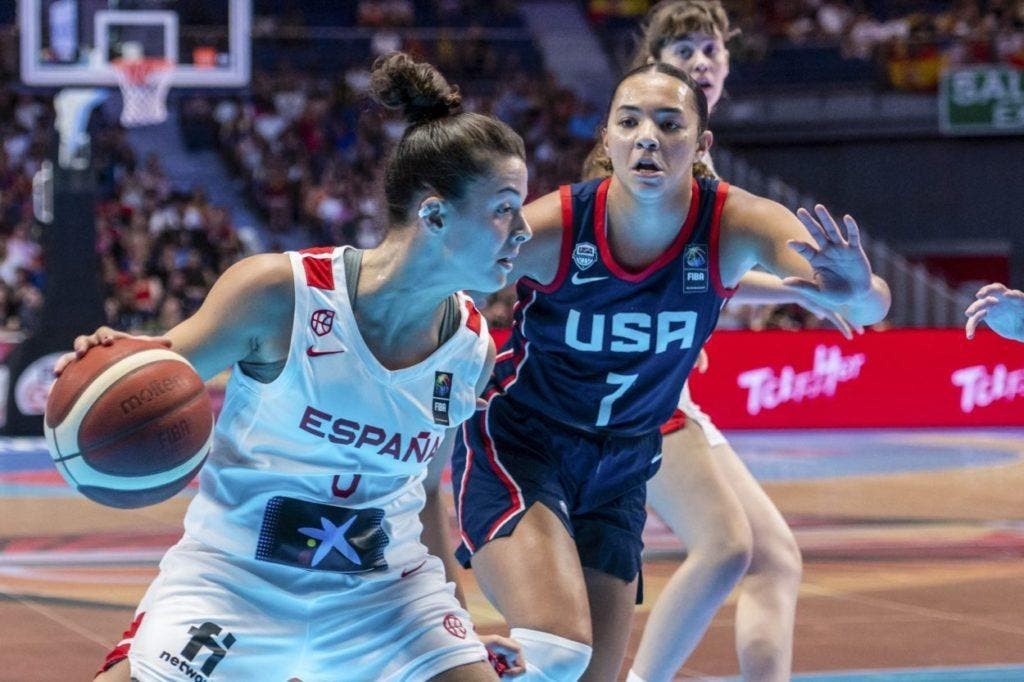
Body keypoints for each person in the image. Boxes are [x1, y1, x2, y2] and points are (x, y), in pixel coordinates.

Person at [58, 53, 529, 682]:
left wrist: (458, 633)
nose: (524, 229)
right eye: (504, 207)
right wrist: (107, 362)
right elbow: (154, 373)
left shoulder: (472, 349)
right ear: (435, 214)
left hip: (384, 600)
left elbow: (425, 494)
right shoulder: (279, 294)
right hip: (233, 581)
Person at [451, 59, 890, 681]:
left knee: (590, 675)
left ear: (701, 144)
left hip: (625, 461)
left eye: (668, 123)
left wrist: (855, 288)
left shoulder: (736, 223)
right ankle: (436, 658)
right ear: (607, 140)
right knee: (557, 649)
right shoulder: (557, 224)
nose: (648, 137)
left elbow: (870, 301)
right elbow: (439, 276)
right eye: (628, 122)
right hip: (523, 443)